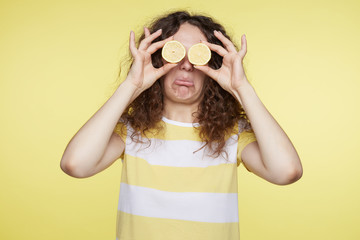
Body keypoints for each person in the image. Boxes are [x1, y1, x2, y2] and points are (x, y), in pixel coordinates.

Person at [60, 10, 303, 240]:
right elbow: (75, 164)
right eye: (174, 52)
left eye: (198, 54)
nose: (186, 65)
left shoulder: (233, 134)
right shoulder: (131, 131)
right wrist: (131, 85)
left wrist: (242, 88)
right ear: (157, 59)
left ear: (213, 65)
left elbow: (286, 172)